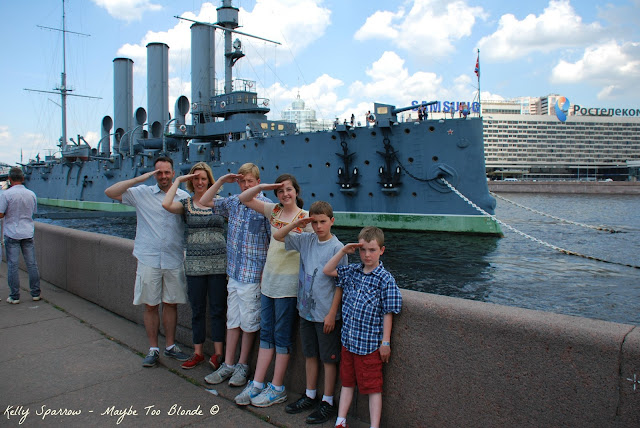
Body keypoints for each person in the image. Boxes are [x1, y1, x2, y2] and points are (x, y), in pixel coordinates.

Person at [234, 173, 312, 408]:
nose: (285, 194)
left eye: (288, 189)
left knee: (281, 337)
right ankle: (257, 383)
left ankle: (277, 387)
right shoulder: (273, 211)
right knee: (266, 334)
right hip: (268, 283)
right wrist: (266, 186)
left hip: (288, 288)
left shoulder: (306, 219)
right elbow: (244, 198)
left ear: (297, 191)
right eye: (280, 191)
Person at [104, 156, 190, 367]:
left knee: (171, 304)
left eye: (167, 172)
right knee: (151, 305)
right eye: (158, 172)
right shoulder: (140, 194)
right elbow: (110, 192)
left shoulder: (184, 196)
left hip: (173, 257)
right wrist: (138, 179)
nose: (163, 176)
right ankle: (153, 349)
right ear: (154, 174)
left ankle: (170, 346)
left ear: (173, 172)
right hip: (149, 258)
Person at [274, 201, 348, 424]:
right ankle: (310, 394)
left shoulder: (338, 248)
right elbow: (279, 236)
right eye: (314, 222)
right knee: (310, 355)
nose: (318, 227)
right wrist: (298, 223)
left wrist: (332, 313)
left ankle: (327, 401)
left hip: (326, 314)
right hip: (305, 311)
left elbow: (341, 284)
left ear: (332, 221)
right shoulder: (306, 239)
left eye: (322, 222)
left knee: (328, 358)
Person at [199, 163, 271, 388]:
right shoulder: (233, 202)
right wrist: (220, 181)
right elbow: (205, 201)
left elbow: (272, 243)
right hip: (234, 273)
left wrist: (265, 274)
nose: (246, 185)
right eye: (242, 181)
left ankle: (242, 365)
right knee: (233, 321)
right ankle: (228, 364)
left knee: (249, 323)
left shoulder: (267, 206)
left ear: (258, 183)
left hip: (253, 275)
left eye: (250, 181)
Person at [323, 226, 403, 428]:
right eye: (363, 250)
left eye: (372, 250)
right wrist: (343, 251)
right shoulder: (353, 271)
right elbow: (328, 270)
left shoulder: (385, 280)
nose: (367, 255)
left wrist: (385, 342)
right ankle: (341, 420)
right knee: (347, 382)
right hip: (349, 342)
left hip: (369, 345)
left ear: (382, 251)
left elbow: (388, 313)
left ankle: (374, 425)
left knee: (373, 387)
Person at [162, 162, 227, 370]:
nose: (200, 182)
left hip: (219, 265)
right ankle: (197, 352)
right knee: (197, 310)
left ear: (209, 180)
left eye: (203, 178)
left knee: (218, 310)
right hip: (195, 267)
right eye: (195, 178)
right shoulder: (186, 204)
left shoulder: (221, 203)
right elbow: (166, 204)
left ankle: (218, 354)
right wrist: (179, 180)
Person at [0, 167, 40, 304]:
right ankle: (35, 293)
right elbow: (33, 211)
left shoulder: (5, 195)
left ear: (9, 179)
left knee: (12, 265)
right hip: (28, 232)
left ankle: (14, 296)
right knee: (32, 264)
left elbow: (1, 214)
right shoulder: (31, 194)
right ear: (23, 179)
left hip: (12, 233)